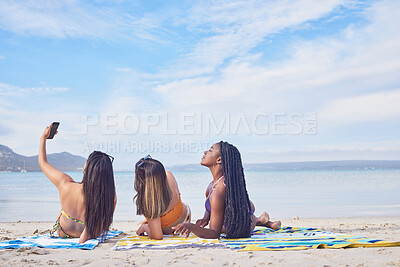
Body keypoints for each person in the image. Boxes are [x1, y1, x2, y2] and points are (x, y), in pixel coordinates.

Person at [172, 141, 281, 239]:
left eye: (210, 150)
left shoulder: (219, 190)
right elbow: (211, 204)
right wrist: (205, 218)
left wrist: (191, 227)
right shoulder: (212, 185)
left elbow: (214, 233)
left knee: (222, 227)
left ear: (219, 160)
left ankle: (258, 220)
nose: (205, 152)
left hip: (244, 222)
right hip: (237, 210)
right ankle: (263, 221)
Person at [38, 123, 116, 243]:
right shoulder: (111, 197)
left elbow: (43, 163)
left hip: (64, 232)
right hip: (92, 232)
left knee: (62, 210)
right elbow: (106, 223)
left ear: (86, 168)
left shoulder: (65, 184)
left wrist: (43, 138)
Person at [134, 155, 191, 240]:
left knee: (153, 216)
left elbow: (157, 236)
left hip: (171, 229)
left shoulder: (150, 201)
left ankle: (152, 221)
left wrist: (144, 228)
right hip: (186, 215)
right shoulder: (168, 175)